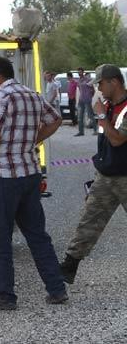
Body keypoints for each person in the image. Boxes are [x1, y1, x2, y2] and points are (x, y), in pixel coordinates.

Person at [0, 56, 66, 311]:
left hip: (5, 177)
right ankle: (57, 290)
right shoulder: (32, 94)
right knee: (37, 235)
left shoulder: (1, 98)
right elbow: (55, 119)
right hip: (31, 174)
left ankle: (4, 295)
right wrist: (33, 140)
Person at [60, 64, 127, 284]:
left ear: (114, 82)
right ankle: (69, 266)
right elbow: (105, 142)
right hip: (106, 175)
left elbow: (117, 139)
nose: (98, 87)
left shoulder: (118, 109)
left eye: (100, 83)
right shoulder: (107, 107)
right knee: (89, 220)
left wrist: (100, 114)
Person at [76, 67, 97, 136]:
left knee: (90, 115)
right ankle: (81, 132)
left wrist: (90, 96)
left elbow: (93, 90)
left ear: (83, 72)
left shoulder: (88, 79)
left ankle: (95, 130)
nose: (79, 73)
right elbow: (80, 89)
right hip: (81, 100)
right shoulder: (78, 80)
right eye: (78, 72)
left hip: (87, 100)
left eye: (80, 72)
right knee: (80, 117)